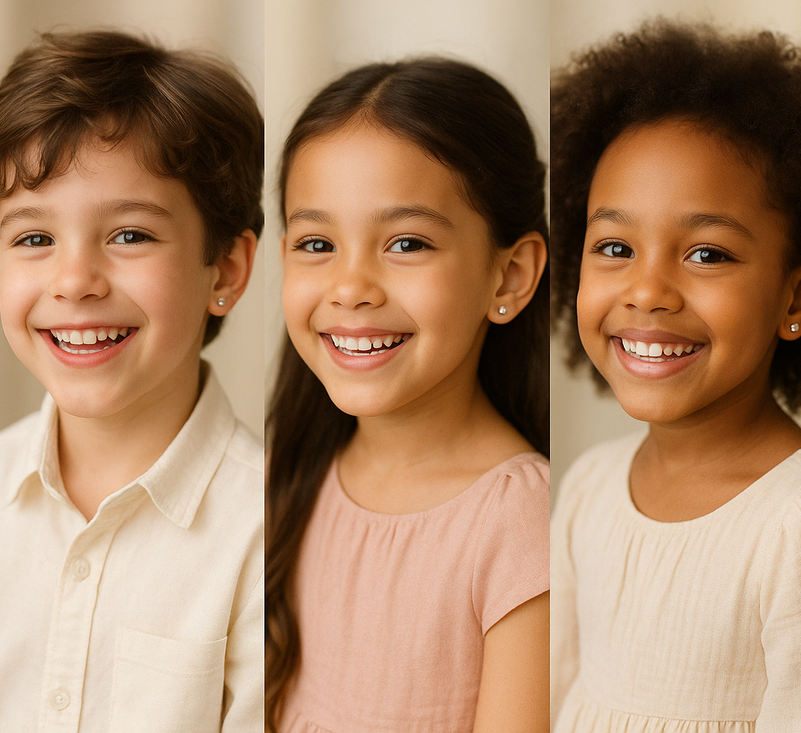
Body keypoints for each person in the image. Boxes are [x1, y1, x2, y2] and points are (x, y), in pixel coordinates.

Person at [0, 30, 264, 732]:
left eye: (129, 234)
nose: (74, 281)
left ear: (224, 270)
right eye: (34, 239)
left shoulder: (270, 528)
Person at [550, 20, 801, 732]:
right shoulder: (587, 487)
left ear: (796, 297)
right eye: (615, 246)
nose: (647, 290)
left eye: (706, 255)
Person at [266, 58, 551, 733]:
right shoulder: (286, 475)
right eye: (317, 243)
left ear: (508, 277)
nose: (351, 286)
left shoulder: (519, 525)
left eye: (406, 242)